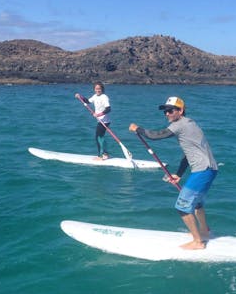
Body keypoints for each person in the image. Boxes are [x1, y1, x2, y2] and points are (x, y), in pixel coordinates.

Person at [129, 96, 218, 250]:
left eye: (170, 110)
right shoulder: (190, 124)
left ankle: (198, 242)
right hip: (210, 169)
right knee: (197, 203)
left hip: (202, 171)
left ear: (180, 111)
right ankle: (204, 231)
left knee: (182, 207)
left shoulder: (180, 124)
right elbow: (188, 154)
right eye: (165, 111)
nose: (167, 114)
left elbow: (156, 135)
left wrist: (138, 129)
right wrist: (179, 173)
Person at [75, 82, 111, 160]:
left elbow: (108, 109)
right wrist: (80, 97)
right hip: (100, 121)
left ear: (102, 89)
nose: (98, 90)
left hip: (104, 121)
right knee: (100, 137)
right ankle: (106, 154)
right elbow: (87, 101)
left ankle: (100, 156)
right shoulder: (95, 96)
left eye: (99, 89)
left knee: (98, 137)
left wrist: (98, 115)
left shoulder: (104, 97)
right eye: (96, 89)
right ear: (94, 89)